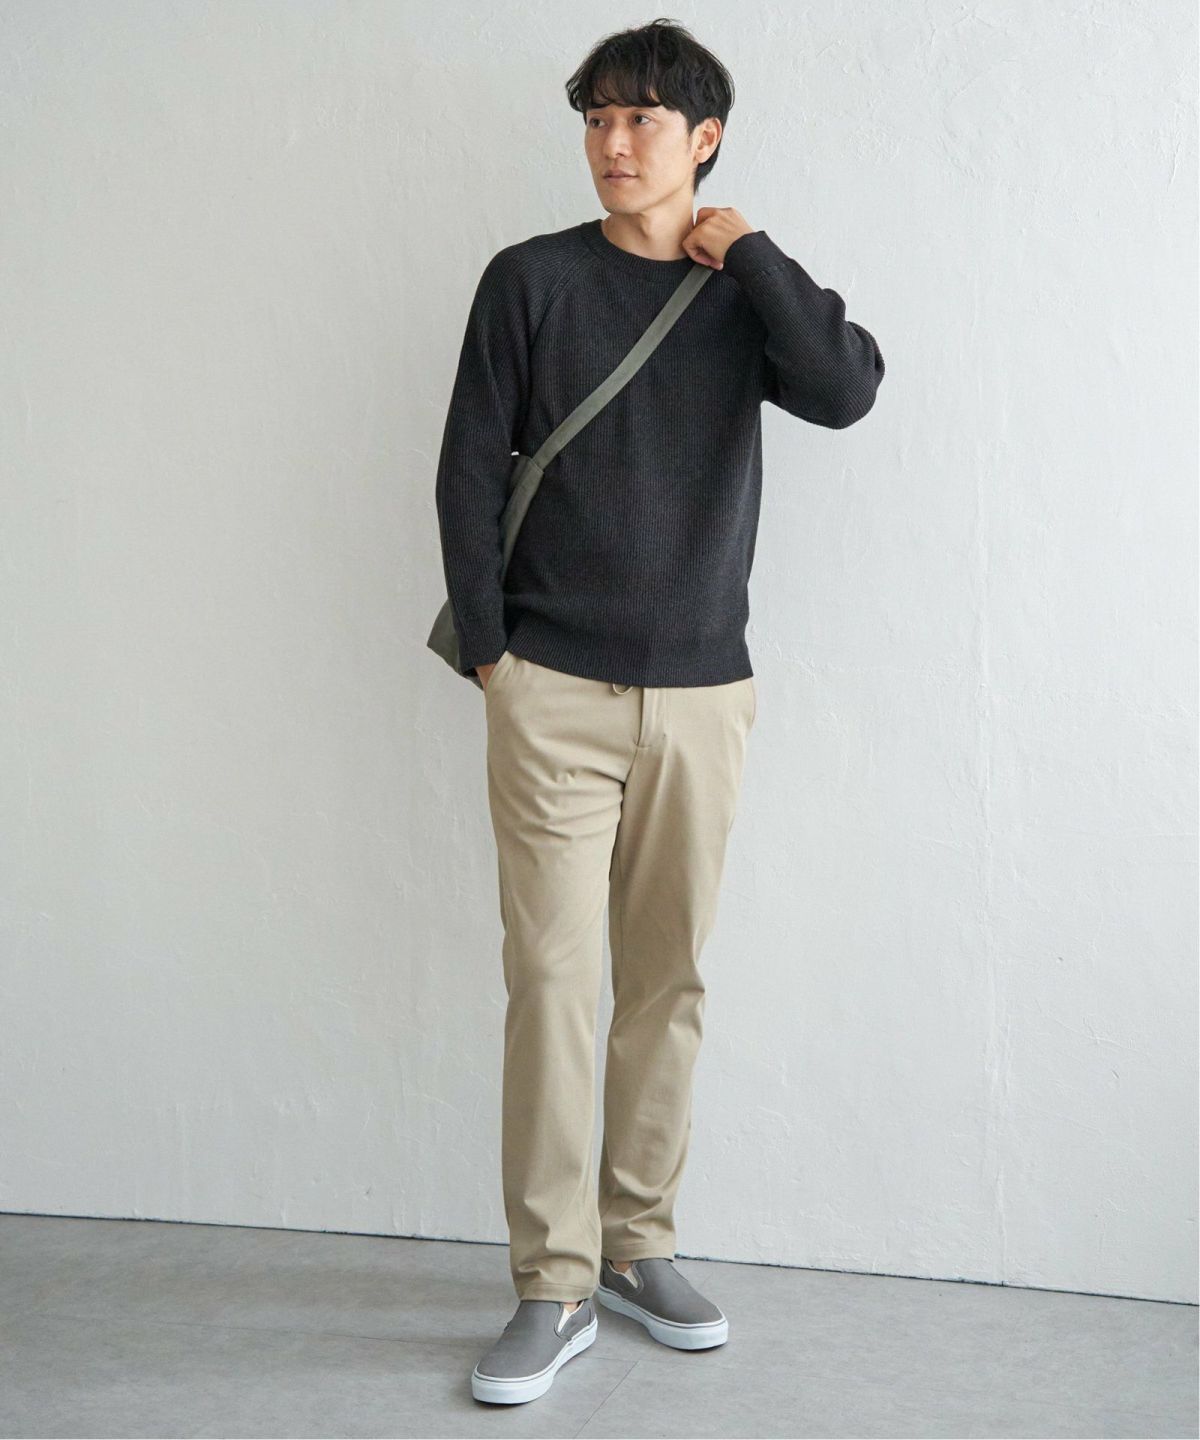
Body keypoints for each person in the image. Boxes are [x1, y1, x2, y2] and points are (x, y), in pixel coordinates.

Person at [433, 18, 885, 1406]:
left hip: (703, 693)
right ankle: (552, 1283)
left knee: (668, 983)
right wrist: (496, 657)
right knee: (555, 986)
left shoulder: (746, 295)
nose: (614, 144)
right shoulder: (531, 279)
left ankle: (639, 1246)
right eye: (597, 119)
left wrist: (751, 253)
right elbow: (466, 467)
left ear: (705, 139)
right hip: (552, 693)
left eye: (642, 120)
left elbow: (847, 390)